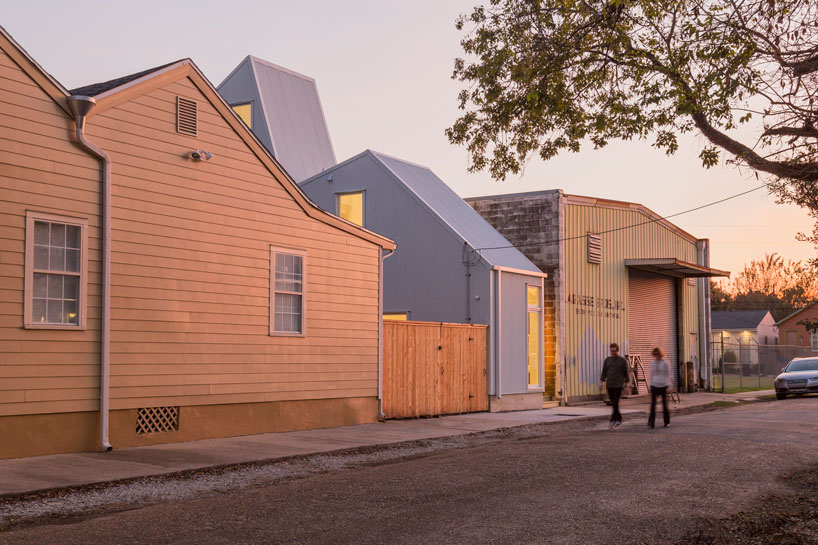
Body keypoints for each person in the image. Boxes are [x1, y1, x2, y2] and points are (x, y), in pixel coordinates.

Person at [600, 343, 629, 428]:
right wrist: (601, 381)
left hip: (618, 385)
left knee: (615, 402)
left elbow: (626, 374)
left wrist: (626, 385)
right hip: (610, 385)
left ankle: (613, 420)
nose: (613, 353)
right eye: (611, 351)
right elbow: (604, 372)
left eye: (614, 351)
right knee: (613, 403)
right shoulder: (607, 360)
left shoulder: (622, 361)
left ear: (617, 350)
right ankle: (619, 419)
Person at [648, 347, 671, 428]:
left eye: (657, 354)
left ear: (661, 354)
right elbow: (651, 374)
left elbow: (669, 374)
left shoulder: (665, 362)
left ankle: (667, 422)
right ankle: (651, 422)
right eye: (655, 354)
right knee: (653, 405)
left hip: (664, 385)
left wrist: (669, 386)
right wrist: (650, 385)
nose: (656, 355)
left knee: (664, 405)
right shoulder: (653, 363)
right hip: (654, 385)